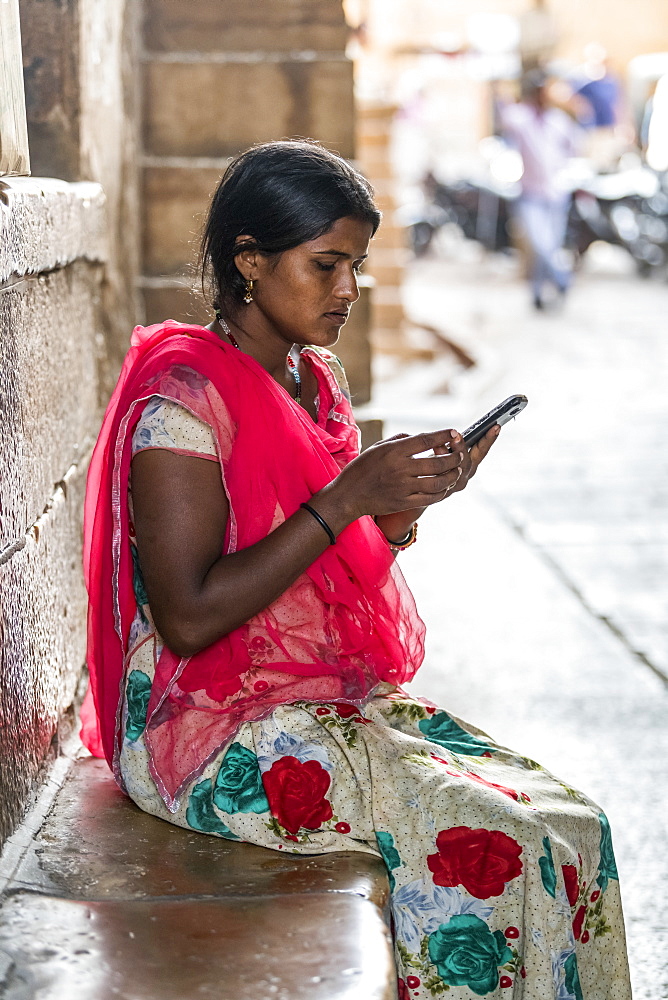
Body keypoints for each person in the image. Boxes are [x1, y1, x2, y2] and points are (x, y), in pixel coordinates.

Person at [82, 140, 631, 999]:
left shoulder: (314, 378)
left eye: (357, 265)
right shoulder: (181, 401)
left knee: (573, 825)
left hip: (311, 696)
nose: (348, 290)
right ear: (250, 263)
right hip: (205, 726)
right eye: (326, 264)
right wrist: (344, 498)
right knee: (494, 847)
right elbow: (188, 617)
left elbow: (336, 571)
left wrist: (401, 509)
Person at [499, 70, 582, 311]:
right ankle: (562, 281)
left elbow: (574, 147)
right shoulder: (521, 117)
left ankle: (538, 293)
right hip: (530, 194)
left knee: (550, 246)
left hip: (556, 193)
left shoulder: (558, 120)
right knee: (540, 245)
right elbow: (506, 118)